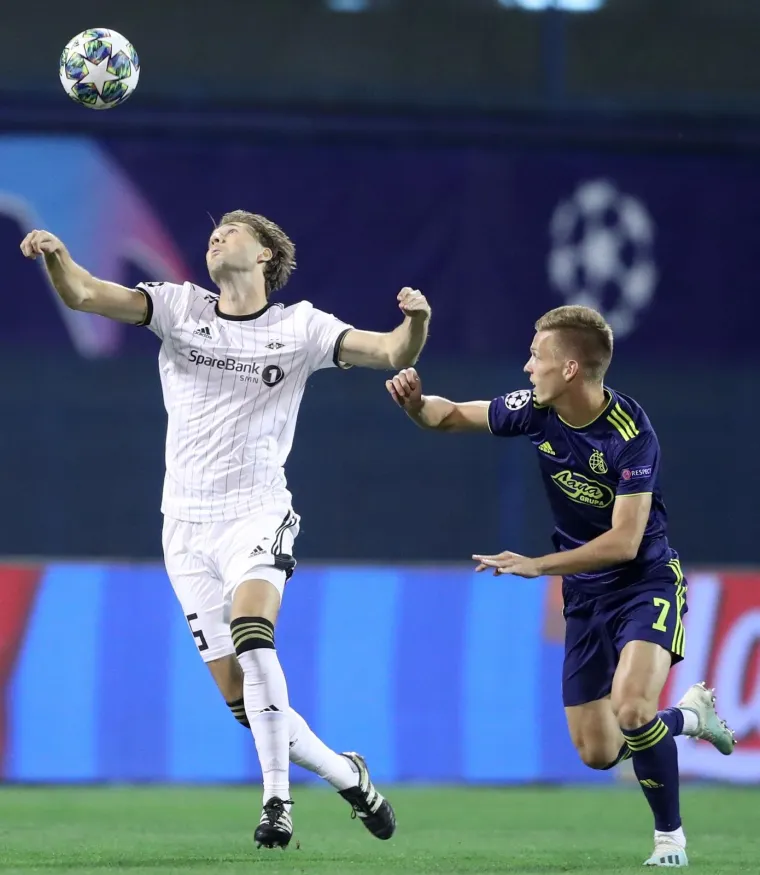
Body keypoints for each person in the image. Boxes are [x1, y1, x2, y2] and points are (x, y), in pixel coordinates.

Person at [21, 210, 432, 850]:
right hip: (183, 528)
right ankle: (346, 773)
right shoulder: (178, 307)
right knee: (243, 701)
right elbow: (83, 293)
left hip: (256, 512)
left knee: (252, 633)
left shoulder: (300, 327)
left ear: (266, 255)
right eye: (213, 231)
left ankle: (276, 804)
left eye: (233, 230)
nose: (216, 236)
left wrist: (417, 324)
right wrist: (55, 255)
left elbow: (387, 351)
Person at [386, 304, 735, 869]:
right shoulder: (536, 412)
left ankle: (670, 839)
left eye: (536, 356)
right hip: (584, 594)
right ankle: (691, 717)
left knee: (630, 706)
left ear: (570, 368)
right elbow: (449, 415)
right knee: (599, 751)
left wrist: (538, 565)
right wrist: (414, 405)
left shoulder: (630, 434)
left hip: (644, 582)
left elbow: (625, 541)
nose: (527, 368)